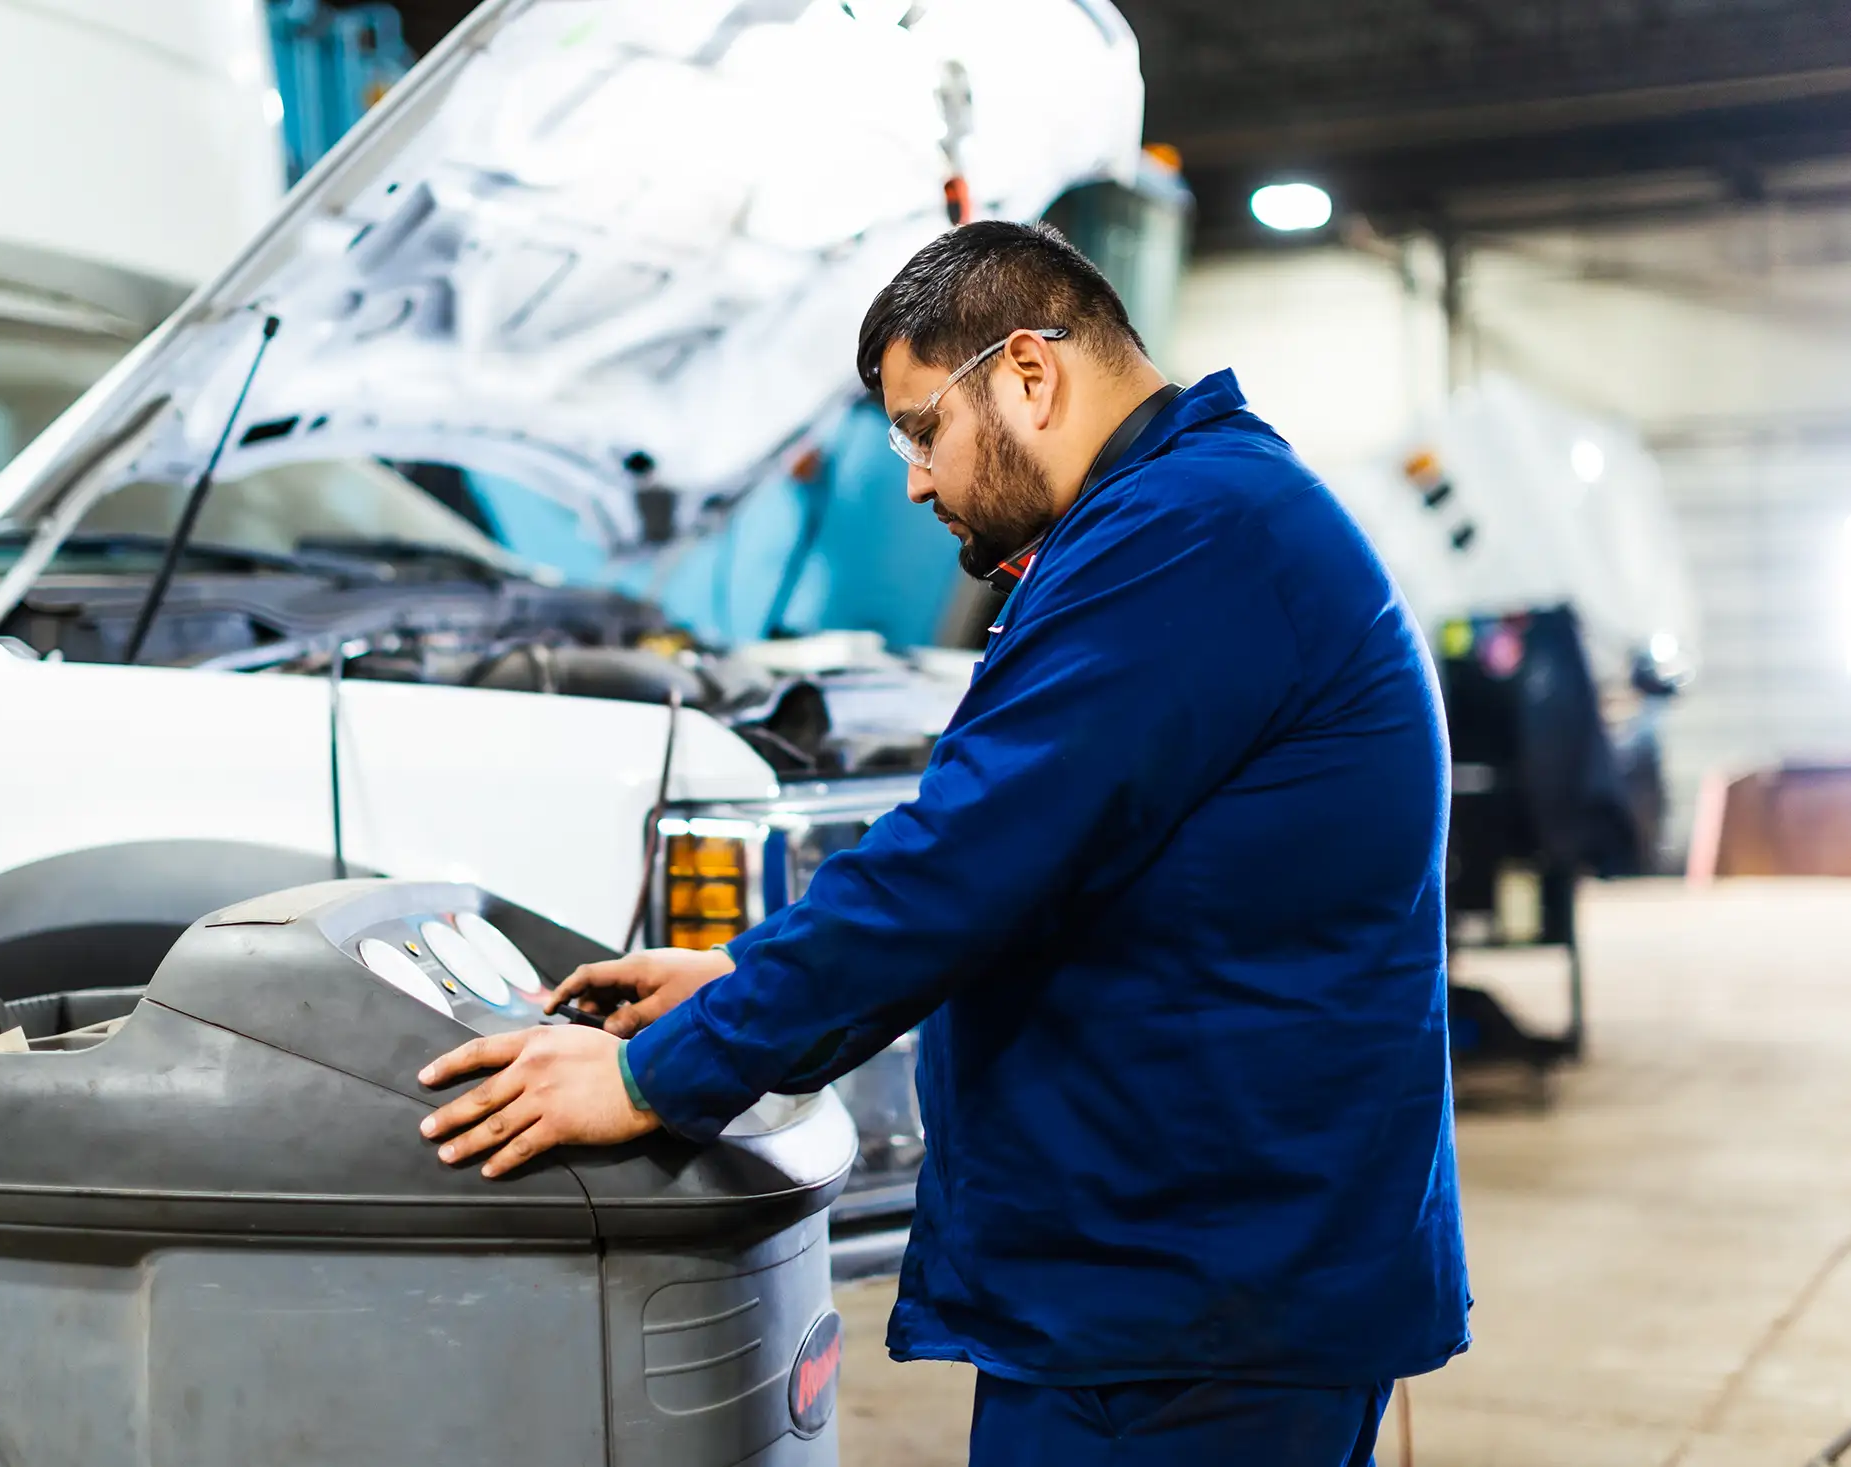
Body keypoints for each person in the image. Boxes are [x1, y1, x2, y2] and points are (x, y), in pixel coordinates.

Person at [417, 220, 1470, 1465]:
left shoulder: (1189, 535)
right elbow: (1055, 880)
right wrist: (741, 977)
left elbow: (959, 864)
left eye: (923, 429)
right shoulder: (1187, 519)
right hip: (1188, 1275)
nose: (916, 480)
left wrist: (661, 1074)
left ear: (1029, 372)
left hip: (1189, 1312)